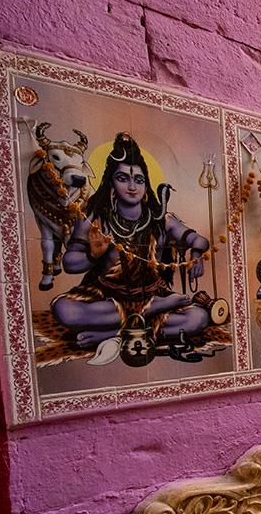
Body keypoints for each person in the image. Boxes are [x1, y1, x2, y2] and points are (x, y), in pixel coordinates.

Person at [54, 132, 212, 352]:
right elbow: (69, 263)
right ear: (111, 183)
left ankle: (111, 332)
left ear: (146, 185)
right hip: (108, 297)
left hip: (154, 294)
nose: (132, 187)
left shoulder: (160, 218)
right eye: (123, 179)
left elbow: (198, 239)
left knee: (198, 318)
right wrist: (93, 255)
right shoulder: (95, 217)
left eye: (138, 180)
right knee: (64, 310)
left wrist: (196, 254)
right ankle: (145, 314)